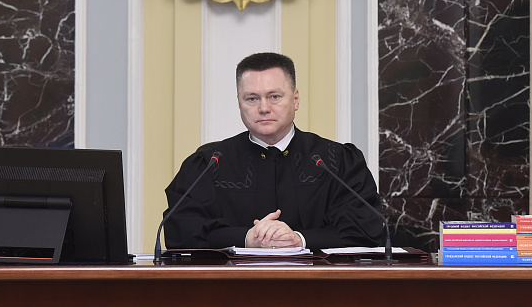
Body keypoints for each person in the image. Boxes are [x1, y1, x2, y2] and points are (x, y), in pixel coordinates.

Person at [162, 52, 384, 250]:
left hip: (318, 282)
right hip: (231, 283)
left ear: (295, 99)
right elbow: (179, 230)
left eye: (274, 97)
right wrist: (246, 238)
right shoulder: (210, 163)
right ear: (239, 103)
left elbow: (367, 229)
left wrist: (299, 239)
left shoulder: (336, 160)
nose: (264, 108)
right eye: (252, 98)